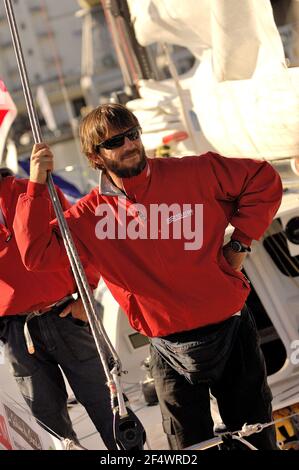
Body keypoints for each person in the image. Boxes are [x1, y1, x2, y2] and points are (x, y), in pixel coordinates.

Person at [13, 103, 283, 450]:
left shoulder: (196, 171)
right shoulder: (88, 217)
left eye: (133, 135)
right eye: (114, 142)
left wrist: (242, 241)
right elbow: (35, 255)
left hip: (233, 331)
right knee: (187, 449)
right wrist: (35, 186)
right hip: (167, 347)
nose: (129, 145)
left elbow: (263, 179)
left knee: (258, 438)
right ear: (95, 158)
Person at [0, 167, 116, 449]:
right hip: (16, 331)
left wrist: (86, 294)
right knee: (50, 425)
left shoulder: (35, 190)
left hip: (67, 315)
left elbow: (79, 239)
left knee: (108, 407)